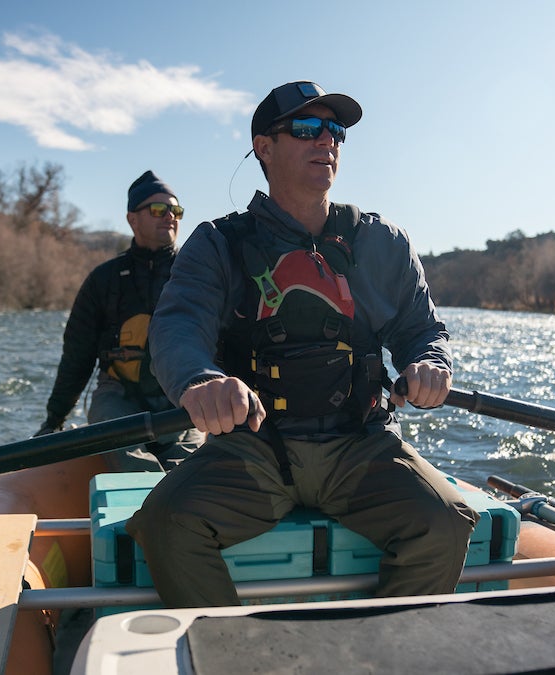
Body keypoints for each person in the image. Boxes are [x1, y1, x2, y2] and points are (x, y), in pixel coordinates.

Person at [126, 81, 478, 607]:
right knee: (167, 525)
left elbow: (420, 330)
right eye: (307, 129)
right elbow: (177, 330)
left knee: (444, 522)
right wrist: (200, 382)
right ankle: (227, 655)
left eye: (335, 131)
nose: (327, 142)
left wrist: (428, 362)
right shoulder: (216, 244)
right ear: (263, 148)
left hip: (361, 444)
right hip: (255, 449)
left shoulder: (384, 243)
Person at [34, 170, 204, 471]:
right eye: (158, 209)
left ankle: (177, 496)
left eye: (176, 210)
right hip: (118, 395)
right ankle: (150, 502)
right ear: (132, 219)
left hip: (180, 395)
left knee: (188, 465)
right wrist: (54, 420)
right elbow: (77, 357)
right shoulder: (103, 281)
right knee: (125, 449)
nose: (170, 217)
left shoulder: (197, 275)